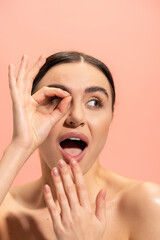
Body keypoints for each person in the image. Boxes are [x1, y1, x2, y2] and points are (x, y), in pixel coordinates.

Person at [0, 51, 160, 240]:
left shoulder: (147, 205)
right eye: (56, 99)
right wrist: (20, 145)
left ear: (111, 116)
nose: (76, 117)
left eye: (94, 102)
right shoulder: (5, 210)